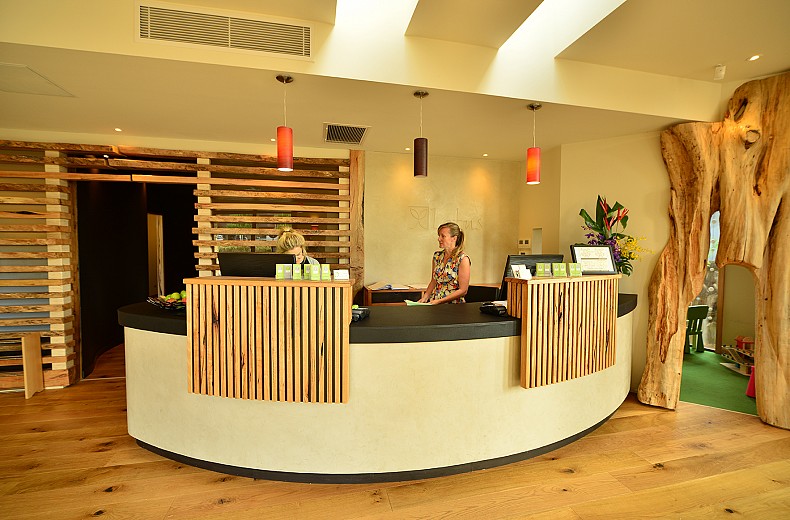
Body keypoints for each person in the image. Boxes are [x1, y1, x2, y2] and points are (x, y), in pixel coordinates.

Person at [417, 222, 471, 304]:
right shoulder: (437, 256)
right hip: (434, 303)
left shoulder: (463, 259)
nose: (439, 239)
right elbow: (434, 281)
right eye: (439, 236)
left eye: (443, 236)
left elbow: (463, 290)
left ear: (454, 238)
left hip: (453, 306)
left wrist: (440, 301)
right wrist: (425, 297)